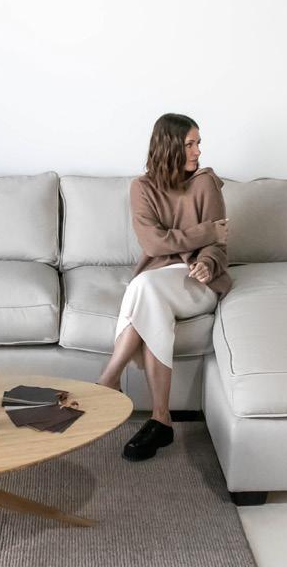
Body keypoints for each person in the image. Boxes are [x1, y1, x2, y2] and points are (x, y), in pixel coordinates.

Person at [96, 113, 231, 461]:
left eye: (198, 143)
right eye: (190, 144)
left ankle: (109, 379)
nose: (198, 151)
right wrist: (206, 232)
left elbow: (219, 246)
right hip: (157, 281)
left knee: (144, 287)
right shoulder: (142, 188)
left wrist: (207, 263)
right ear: (169, 146)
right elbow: (154, 244)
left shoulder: (205, 183)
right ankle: (160, 418)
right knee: (148, 289)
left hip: (197, 283)